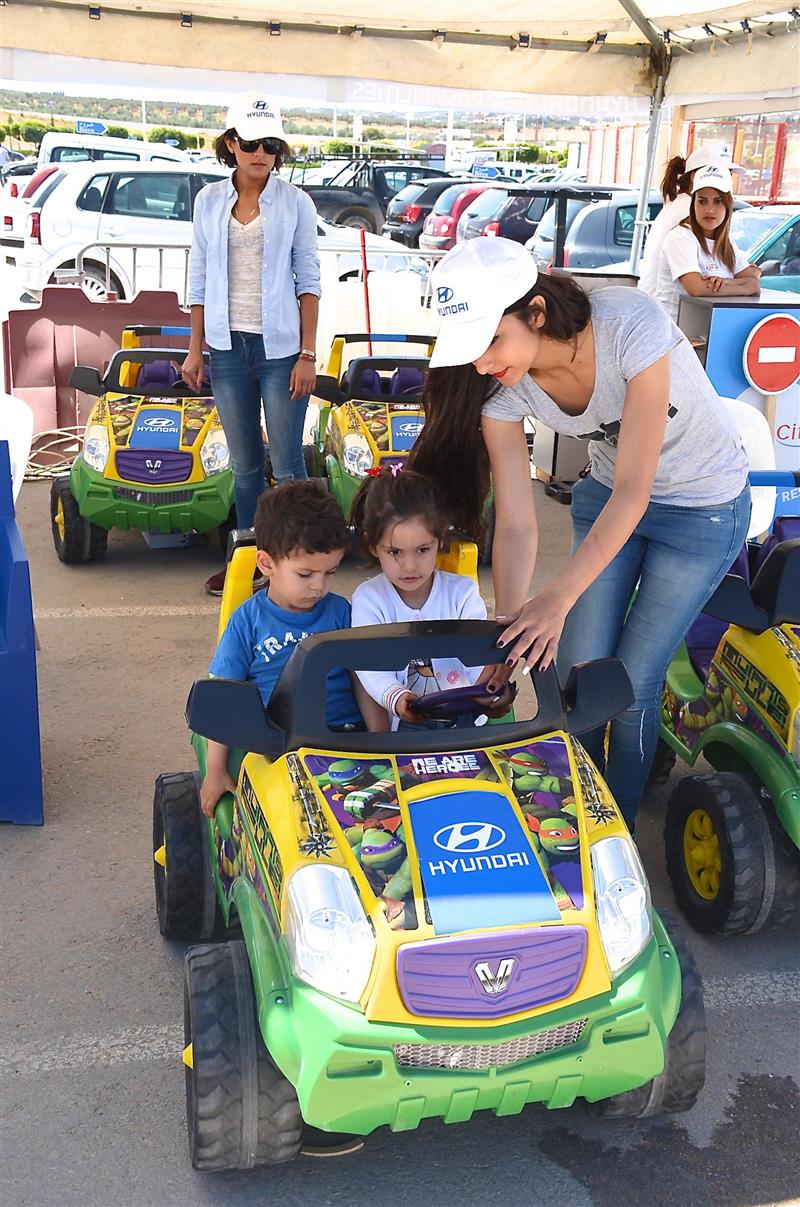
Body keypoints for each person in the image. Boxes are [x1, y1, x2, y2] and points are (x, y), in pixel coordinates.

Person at [407, 236, 750, 828]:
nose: (484, 363)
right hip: (606, 500)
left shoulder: (631, 324)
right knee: (576, 675)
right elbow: (516, 521)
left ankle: (615, 829)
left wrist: (557, 599)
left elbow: (636, 492)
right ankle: (578, 815)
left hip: (702, 508)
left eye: (491, 340)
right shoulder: (504, 388)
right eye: (473, 349)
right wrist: (510, 630)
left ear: (536, 312)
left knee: (633, 684)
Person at [182, 93, 321, 596]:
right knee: (243, 466)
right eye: (249, 142)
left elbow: (308, 279)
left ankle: (304, 563)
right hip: (225, 348)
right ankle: (249, 564)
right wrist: (195, 349)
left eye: (270, 144)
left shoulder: (296, 203)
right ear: (231, 144)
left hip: (281, 350)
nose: (259, 152)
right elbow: (197, 277)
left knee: (286, 465)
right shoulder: (207, 201)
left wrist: (308, 353)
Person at [200, 481, 370, 816]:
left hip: (346, 739)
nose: (319, 586)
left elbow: (364, 681)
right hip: (276, 747)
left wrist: (380, 739)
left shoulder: (341, 612)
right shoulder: (247, 621)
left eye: (331, 572)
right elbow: (224, 696)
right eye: (306, 574)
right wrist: (215, 770)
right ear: (266, 563)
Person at [350, 466, 490, 730]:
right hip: (403, 723)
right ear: (372, 546)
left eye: (423, 549)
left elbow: (479, 657)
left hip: (465, 721)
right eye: (395, 552)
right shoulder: (369, 600)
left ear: (440, 541)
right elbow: (368, 667)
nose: (410, 566)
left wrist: (489, 690)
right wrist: (396, 696)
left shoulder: (463, 593)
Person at [654, 163, 760, 322]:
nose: (710, 210)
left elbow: (754, 285)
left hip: (709, 331)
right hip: (675, 334)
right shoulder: (681, 237)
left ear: (728, 205)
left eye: (717, 202)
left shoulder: (726, 242)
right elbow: (696, 288)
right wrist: (740, 285)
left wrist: (723, 282)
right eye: (702, 201)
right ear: (693, 204)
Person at [637, 142, 743, 299]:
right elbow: (700, 286)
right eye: (720, 172)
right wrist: (738, 281)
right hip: (665, 310)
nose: (726, 180)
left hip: (650, 302)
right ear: (696, 177)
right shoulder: (691, 210)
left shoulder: (679, 203)